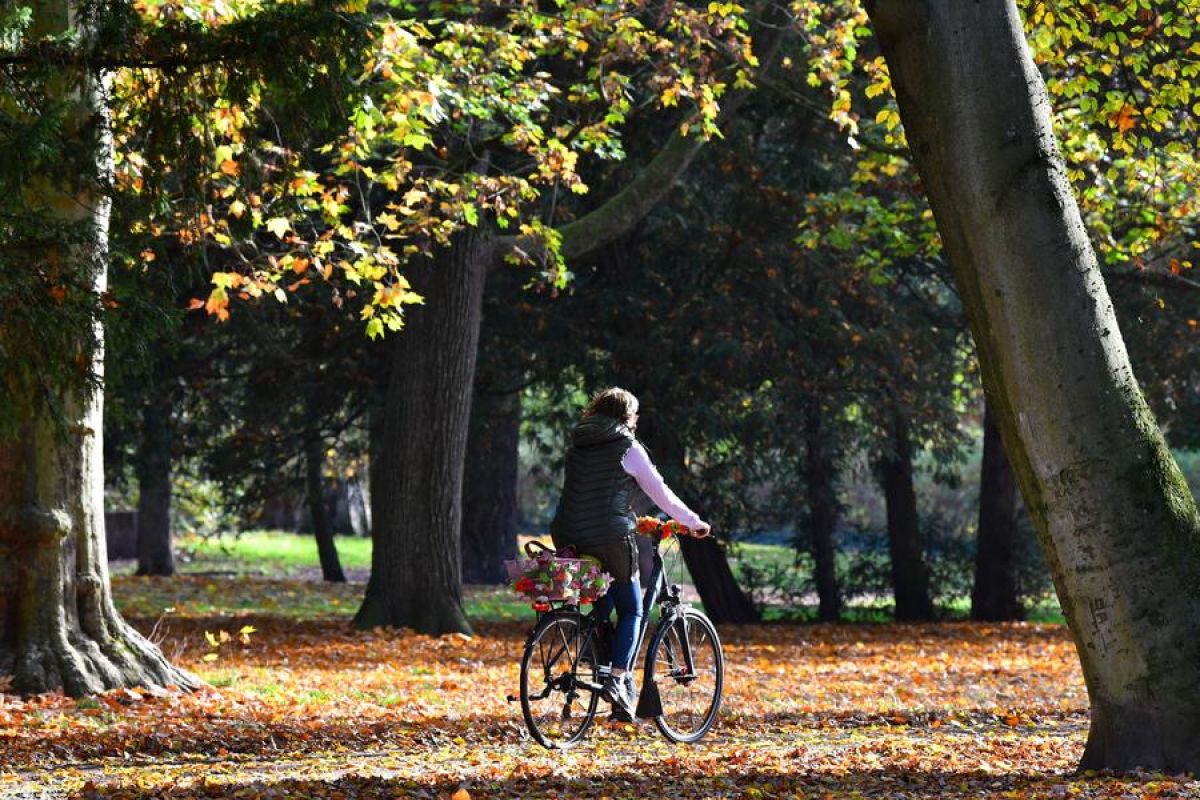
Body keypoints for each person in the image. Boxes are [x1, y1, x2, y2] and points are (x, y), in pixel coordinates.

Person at [549, 387, 710, 721]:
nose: (636, 421)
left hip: (566, 531)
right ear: (627, 416)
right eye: (635, 415)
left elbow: (588, 494)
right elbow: (660, 492)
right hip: (608, 535)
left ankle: (596, 647)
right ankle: (617, 678)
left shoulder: (578, 445)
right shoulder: (628, 447)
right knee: (633, 609)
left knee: (604, 599)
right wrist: (692, 522)